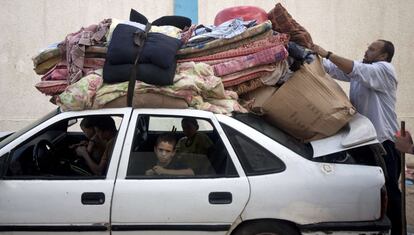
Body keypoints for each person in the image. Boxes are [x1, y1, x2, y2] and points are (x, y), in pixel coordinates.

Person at [312, 40, 402, 235]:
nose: (366, 50)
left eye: (372, 49)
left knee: (389, 190)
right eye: (367, 47)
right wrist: (309, 51)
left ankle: (396, 230)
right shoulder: (362, 71)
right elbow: (333, 69)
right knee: (371, 188)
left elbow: (353, 68)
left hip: (383, 142)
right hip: (365, 140)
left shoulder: (384, 70)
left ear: (383, 56)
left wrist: (326, 53)